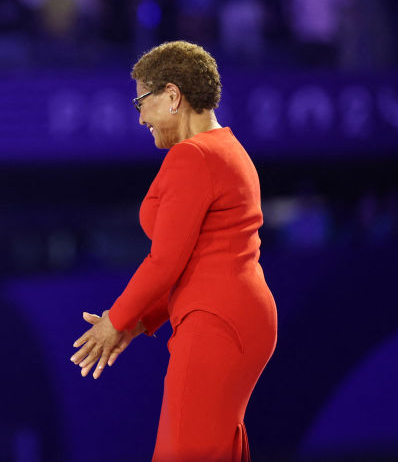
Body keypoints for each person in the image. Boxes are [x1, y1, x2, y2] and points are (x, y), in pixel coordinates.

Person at [71, 41, 277, 462]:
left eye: (141, 101)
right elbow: (196, 260)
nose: (140, 116)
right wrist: (140, 322)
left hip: (215, 323)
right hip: (238, 317)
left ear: (172, 95)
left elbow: (165, 261)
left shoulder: (193, 156)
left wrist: (117, 320)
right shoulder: (229, 150)